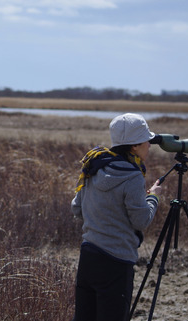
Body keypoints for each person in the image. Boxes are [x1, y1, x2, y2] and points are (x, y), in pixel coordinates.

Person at [71, 113, 162, 321]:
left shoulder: (93, 166)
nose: (150, 144)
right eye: (146, 140)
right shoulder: (133, 177)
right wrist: (153, 198)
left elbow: (76, 208)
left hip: (89, 256)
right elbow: (141, 221)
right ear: (134, 146)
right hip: (116, 262)